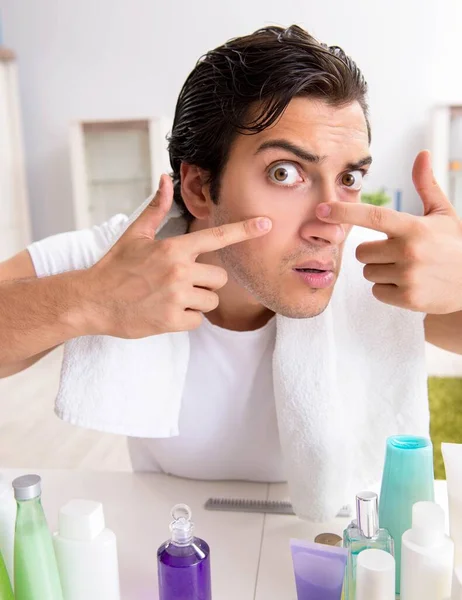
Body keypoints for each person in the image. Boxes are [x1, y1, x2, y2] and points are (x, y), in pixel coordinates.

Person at [1, 25, 462, 489]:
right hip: (173, 538)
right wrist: (92, 299)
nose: (330, 225)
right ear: (200, 188)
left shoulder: (373, 276)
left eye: (348, 177)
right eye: (286, 173)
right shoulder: (121, 264)